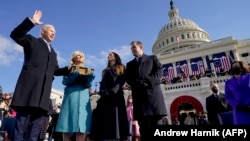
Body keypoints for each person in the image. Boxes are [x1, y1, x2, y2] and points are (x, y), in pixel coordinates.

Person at [9, 10, 69, 141]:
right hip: (29, 90)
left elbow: (56, 70)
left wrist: (69, 69)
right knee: (20, 125)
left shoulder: (53, 53)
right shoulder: (32, 41)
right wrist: (31, 22)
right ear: (43, 31)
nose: (54, 33)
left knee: (35, 130)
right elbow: (16, 34)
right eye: (51, 30)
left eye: (55, 32)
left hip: (43, 95)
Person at [125, 41, 167, 141]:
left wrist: (147, 81)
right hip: (140, 101)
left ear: (141, 47)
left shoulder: (152, 58)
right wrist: (138, 83)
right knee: (143, 130)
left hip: (153, 99)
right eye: (131, 48)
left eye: (134, 47)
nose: (132, 49)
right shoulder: (129, 64)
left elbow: (158, 73)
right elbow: (128, 78)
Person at [56, 50, 95, 141]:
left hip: (83, 97)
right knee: (67, 125)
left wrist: (89, 79)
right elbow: (65, 82)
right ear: (73, 58)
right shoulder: (68, 69)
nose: (80, 57)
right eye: (78, 55)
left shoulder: (87, 70)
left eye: (81, 56)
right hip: (71, 97)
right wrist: (72, 75)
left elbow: (88, 85)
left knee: (82, 127)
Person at [90, 52, 129, 141]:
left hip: (116, 97)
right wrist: (102, 92)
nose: (108, 56)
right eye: (108, 55)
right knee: (102, 122)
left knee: (116, 121)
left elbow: (121, 81)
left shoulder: (121, 67)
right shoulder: (105, 70)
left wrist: (113, 91)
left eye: (110, 54)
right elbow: (102, 83)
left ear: (116, 57)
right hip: (104, 98)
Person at [225, 60, 250, 125]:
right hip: (239, 111)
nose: (234, 68)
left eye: (236, 66)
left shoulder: (249, 76)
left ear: (241, 68)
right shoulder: (228, 82)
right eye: (233, 67)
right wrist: (237, 105)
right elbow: (228, 96)